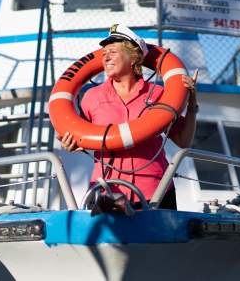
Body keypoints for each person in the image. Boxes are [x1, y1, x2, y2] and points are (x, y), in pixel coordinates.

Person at [59, 24, 198, 209]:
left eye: (113, 52)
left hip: (156, 191)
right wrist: (69, 143)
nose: (106, 57)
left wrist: (191, 105)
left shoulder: (157, 94)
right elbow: (79, 134)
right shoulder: (92, 97)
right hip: (105, 191)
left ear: (133, 57)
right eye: (104, 53)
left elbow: (183, 141)